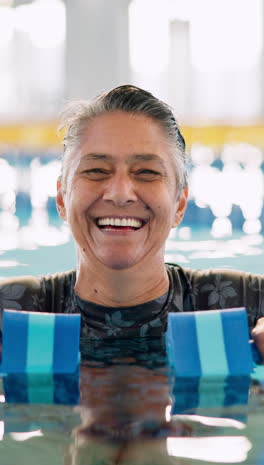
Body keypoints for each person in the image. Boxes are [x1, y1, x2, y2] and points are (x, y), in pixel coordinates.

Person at [1, 84, 264, 353]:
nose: (120, 193)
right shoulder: (10, 312)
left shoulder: (247, 305)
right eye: (96, 170)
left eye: (147, 172)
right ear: (61, 199)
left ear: (180, 204)